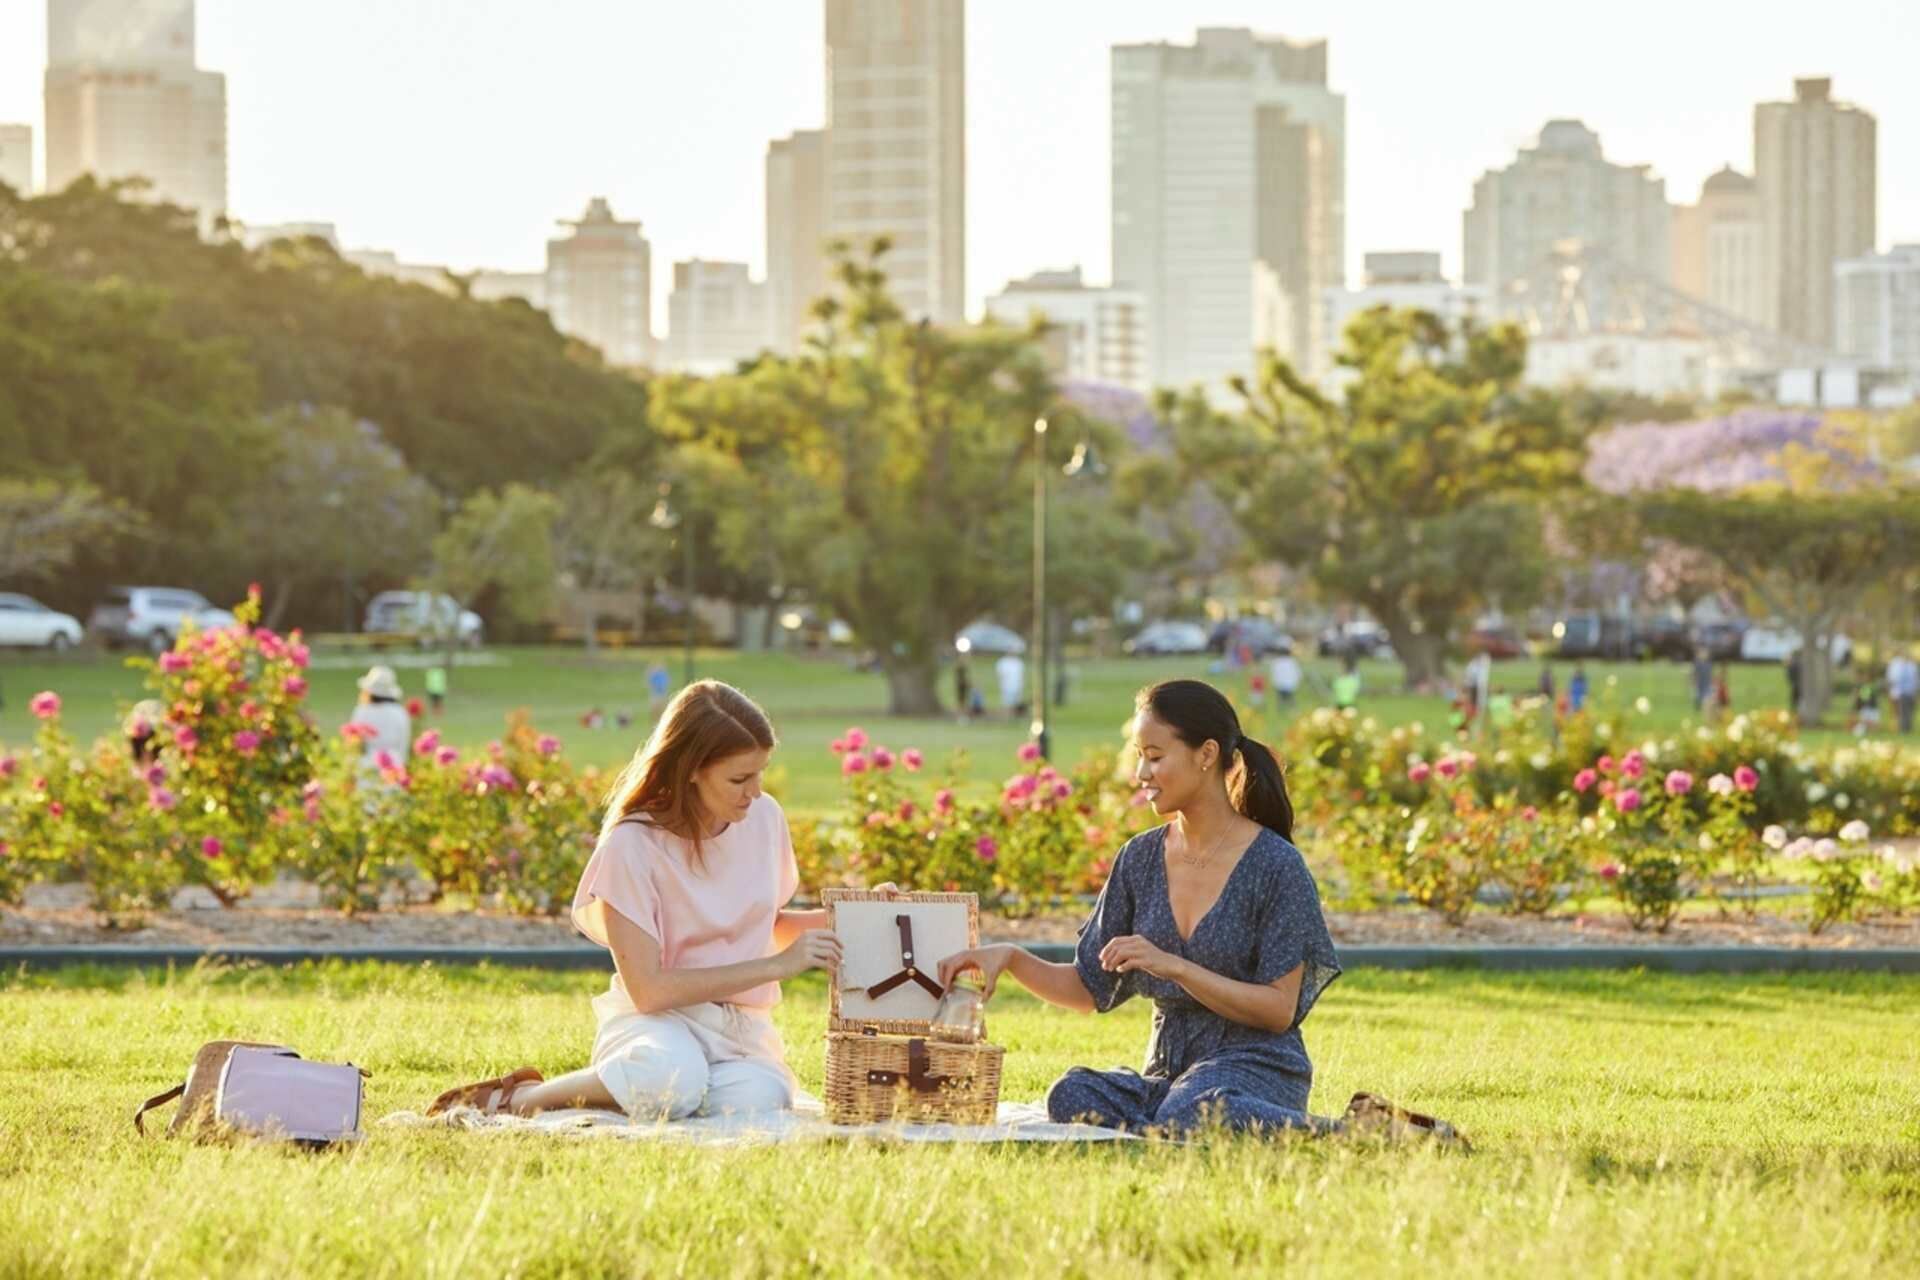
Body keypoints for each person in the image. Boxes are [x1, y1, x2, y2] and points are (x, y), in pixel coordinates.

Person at [938, 679, 1461, 1143]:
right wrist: (1010, 958)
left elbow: (1278, 1009)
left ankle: (1363, 1134)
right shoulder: (1139, 859)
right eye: (1138, 756)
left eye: (1155, 756)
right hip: (1170, 1073)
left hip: (1256, 1066)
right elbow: (1087, 989)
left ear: (1206, 754)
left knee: (1194, 1110)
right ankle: (1180, 1129)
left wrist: (1175, 967)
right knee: (1071, 1093)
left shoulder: (1276, 865)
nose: (1141, 772)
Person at [427, 680, 896, 1120]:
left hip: (735, 1028)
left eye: (760, 774)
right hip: (656, 1021)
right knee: (668, 1082)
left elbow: (762, 921)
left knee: (758, 1101)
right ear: (692, 771)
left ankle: (643, 1090)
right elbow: (648, 991)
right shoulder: (632, 845)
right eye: (739, 779)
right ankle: (524, 1096)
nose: (755, 792)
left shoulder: (764, 818)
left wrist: (859, 915)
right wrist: (776, 967)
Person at [347, 665, 411, 762]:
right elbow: (403, 746)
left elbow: (354, 744)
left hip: (366, 764)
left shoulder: (362, 711)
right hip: (394, 764)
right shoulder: (400, 712)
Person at [1886, 649, 1918, 736]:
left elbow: (1915, 680)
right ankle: (1902, 728)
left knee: (1909, 711)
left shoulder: (1912, 666)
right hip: (1900, 692)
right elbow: (1893, 679)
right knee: (1900, 711)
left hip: (1909, 692)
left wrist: (1915, 692)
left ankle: (1907, 728)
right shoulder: (1897, 665)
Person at [1269, 643, 1303, 708]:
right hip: (1290, 683)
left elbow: (1274, 673)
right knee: (1290, 698)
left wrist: (1274, 682)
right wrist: (1297, 681)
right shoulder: (1292, 662)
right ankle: (1292, 709)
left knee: (1281, 699)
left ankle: (1281, 709)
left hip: (1280, 684)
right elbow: (1298, 673)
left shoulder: (1276, 662)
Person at [995, 650, 1027, 717]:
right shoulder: (1003, 662)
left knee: (1017, 702)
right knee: (1007, 702)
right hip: (1006, 685)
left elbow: (1022, 674)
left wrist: (1022, 684)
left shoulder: (1018, 662)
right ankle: (1007, 715)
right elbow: (1000, 674)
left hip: (1017, 685)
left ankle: (1016, 715)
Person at [1691, 647, 1714, 714]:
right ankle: (1698, 707)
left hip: (1707, 684)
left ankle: (1706, 709)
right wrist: (1694, 681)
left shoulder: (1709, 664)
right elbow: (1694, 673)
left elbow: (1710, 675)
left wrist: (1712, 683)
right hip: (1700, 684)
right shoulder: (1697, 664)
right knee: (1698, 697)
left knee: (1707, 698)